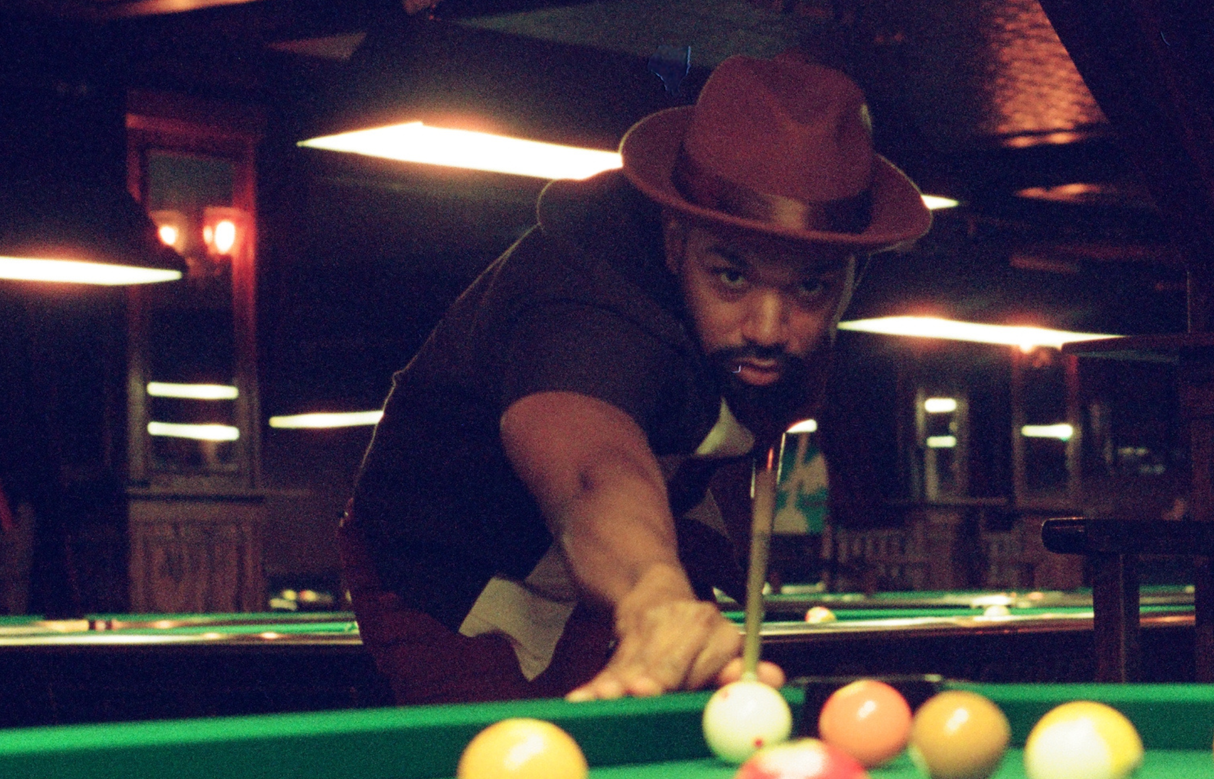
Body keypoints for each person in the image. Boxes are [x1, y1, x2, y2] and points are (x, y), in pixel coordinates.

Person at [339, 52, 930, 704]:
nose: (767, 326)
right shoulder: (582, 295)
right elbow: (596, 467)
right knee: (518, 768)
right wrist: (656, 597)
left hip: (624, 558)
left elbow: (733, 447)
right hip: (446, 566)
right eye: (731, 275)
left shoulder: (787, 332)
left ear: (850, 277)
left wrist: (712, 584)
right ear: (676, 241)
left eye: (812, 285)